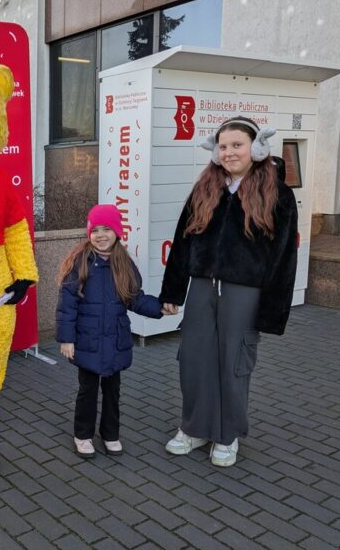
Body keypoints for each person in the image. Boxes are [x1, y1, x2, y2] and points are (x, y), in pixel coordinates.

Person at [160, 116, 298, 467]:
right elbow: (182, 243)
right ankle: (194, 428)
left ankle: (227, 435)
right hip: (202, 287)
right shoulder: (206, 188)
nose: (229, 152)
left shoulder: (277, 195)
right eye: (223, 146)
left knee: (234, 363)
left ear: (256, 147)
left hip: (244, 291)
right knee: (194, 359)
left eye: (237, 145)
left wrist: (272, 311)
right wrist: (172, 291)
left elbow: (283, 257)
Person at [56, 204, 165, 458]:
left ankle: (110, 434)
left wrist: (160, 308)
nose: (101, 235)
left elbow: (135, 299)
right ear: (89, 232)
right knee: (88, 391)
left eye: (107, 229)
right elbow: (67, 306)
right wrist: (66, 339)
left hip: (115, 340)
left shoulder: (123, 263)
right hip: (88, 341)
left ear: (117, 232)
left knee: (113, 392)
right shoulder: (79, 263)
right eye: (96, 230)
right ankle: (83, 435)